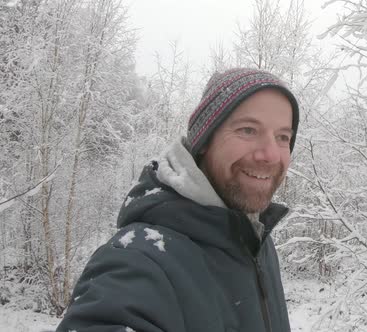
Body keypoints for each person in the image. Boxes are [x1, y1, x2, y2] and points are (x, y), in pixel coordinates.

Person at [56, 68, 299, 332]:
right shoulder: (142, 258)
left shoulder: (257, 242)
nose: (271, 155)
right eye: (248, 130)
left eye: (283, 137)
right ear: (204, 141)